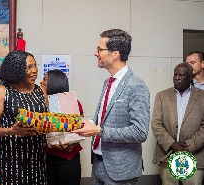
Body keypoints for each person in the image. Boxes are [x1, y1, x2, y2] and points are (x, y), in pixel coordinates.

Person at [72, 29, 150, 185]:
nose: (96, 53)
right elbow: (103, 119)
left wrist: (99, 131)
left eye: (100, 49)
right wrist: (80, 123)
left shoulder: (136, 85)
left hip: (121, 171)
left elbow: (140, 132)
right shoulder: (108, 82)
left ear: (115, 54)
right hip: (99, 164)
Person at [0, 50, 48, 185]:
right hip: (11, 160)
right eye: (29, 67)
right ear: (16, 69)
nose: (35, 70)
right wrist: (11, 131)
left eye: (35, 66)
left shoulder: (40, 91)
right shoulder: (3, 91)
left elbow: (46, 121)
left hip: (37, 159)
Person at [151, 62, 204, 185]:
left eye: (181, 75)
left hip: (195, 155)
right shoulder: (162, 96)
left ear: (190, 77)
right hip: (167, 154)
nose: (176, 78)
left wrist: (189, 147)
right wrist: (172, 144)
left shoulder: (202, 97)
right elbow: (156, 124)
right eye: (175, 74)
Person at [40, 69, 83, 185]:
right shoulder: (38, 103)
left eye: (44, 79)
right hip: (45, 158)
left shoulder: (74, 103)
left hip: (68, 157)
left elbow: (81, 129)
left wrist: (71, 144)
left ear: (54, 82)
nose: (40, 82)